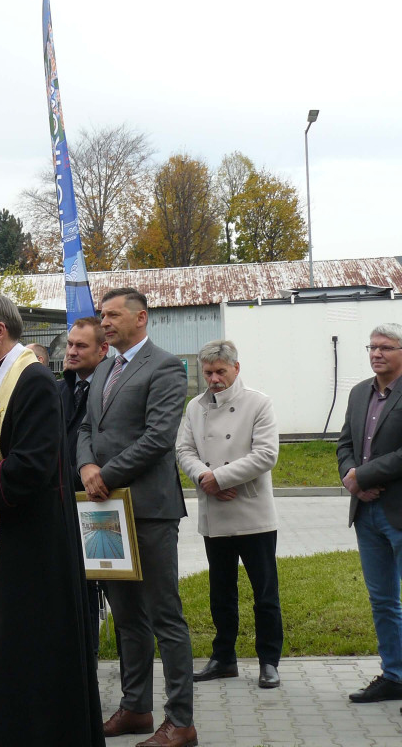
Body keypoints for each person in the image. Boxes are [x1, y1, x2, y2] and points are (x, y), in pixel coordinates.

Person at [0, 295, 104, 745]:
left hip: (30, 554)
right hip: (4, 545)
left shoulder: (32, 381)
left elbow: (32, 468)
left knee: (26, 667)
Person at [77, 287, 195, 747]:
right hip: (104, 507)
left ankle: (181, 721)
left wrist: (104, 473)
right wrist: (87, 468)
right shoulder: (105, 365)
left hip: (148, 509)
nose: (104, 322)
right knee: (125, 616)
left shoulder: (165, 366)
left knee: (164, 615)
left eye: (112, 315)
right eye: (102, 316)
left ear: (140, 318)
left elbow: (159, 437)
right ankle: (135, 708)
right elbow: (87, 426)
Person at [177, 340, 282, 689]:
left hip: (252, 511)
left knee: (264, 592)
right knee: (221, 592)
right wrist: (205, 479)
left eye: (221, 371)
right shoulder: (194, 407)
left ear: (237, 369)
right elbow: (184, 449)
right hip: (214, 510)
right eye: (208, 372)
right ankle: (224, 659)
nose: (214, 378)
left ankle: (269, 662)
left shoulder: (258, 403)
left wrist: (220, 477)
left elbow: (266, 455)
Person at [337, 323, 402, 704]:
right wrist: (353, 480)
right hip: (366, 513)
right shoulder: (360, 392)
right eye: (372, 347)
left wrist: (365, 474)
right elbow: (345, 442)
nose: (377, 353)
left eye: (386, 348)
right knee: (382, 601)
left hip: (398, 511)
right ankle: (394, 675)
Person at [59, 316, 109, 660]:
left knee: (113, 591)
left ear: (103, 350)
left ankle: (130, 695)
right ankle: (84, 670)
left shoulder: (110, 388)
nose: (71, 352)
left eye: (81, 346)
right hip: (64, 504)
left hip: (102, 500)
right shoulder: (59, 388)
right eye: (69, 345)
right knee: (78, 594)